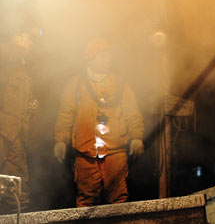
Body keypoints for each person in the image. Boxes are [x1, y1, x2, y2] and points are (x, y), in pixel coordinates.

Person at [54, 38, 145, 207]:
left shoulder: (120, 84)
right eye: (102, 56)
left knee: (118, 201)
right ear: (91, 58)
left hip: (114, 152)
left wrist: (137, 137)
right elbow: (65, 114)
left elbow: (132, 112)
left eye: (109, 55)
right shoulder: (76, 85)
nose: (107, 59)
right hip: (86, 153)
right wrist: (60, 140)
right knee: (86, 201)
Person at [0, 32, 37, 213]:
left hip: (15, 133)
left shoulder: (23, 67)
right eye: (29, 35)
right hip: (5, 132)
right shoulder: (8, 59)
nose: (32, 41)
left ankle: (18, 214)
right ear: (17, 36)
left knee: (16, 184)